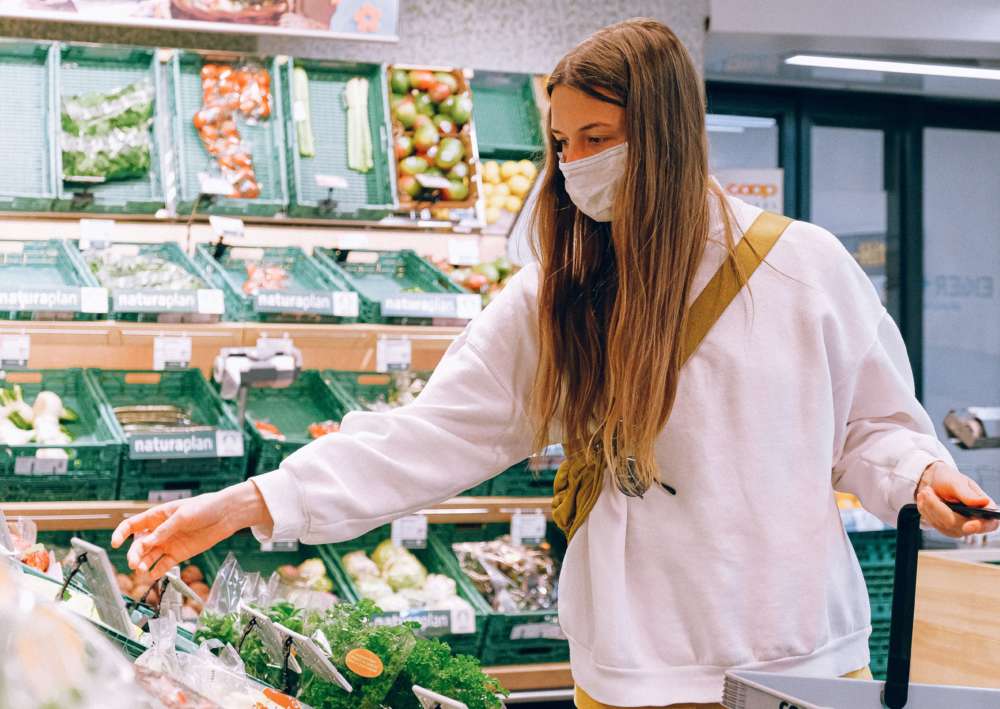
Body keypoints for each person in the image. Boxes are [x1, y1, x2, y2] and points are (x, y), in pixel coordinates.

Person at [113, 18, 999, 709]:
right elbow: (429, 436)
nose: (574, 164)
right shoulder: (558, 298)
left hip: (796, 651)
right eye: (561, 144)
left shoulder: (805, 268)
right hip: (633, 660)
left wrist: (919, 476)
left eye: (595, 137)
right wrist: (247, 502)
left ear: (664, 135)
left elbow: (873, 425)